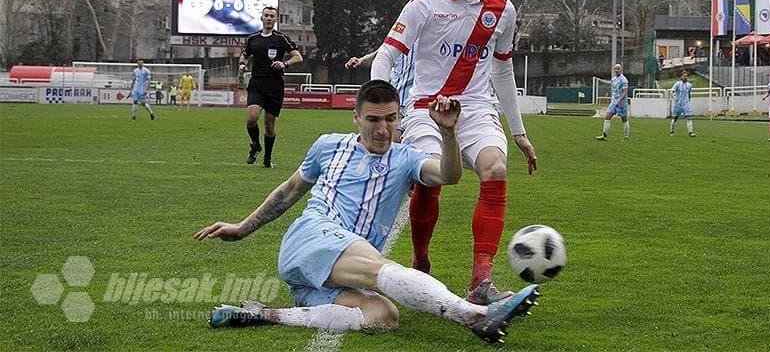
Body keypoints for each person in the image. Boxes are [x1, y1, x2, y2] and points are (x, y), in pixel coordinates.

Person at [194, 80, 539, 343]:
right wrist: (241, 228)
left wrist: (449, 134)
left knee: (382, 314)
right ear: (355, 117)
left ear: (399, 117)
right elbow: (289, 190)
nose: (382, 129)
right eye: (373, 119)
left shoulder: (405, 158)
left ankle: (264, 315)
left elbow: (448, 175)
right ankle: (476, 316)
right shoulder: (328, 145)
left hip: (321, 274)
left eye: (390, 119)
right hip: (312, 236)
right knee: (380, 268)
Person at [370, 0, 538, 304]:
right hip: (425, 107)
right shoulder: (424, 3)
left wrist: (519, 131)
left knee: (495, 169)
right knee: (432, 175)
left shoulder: (503, 10)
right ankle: (421, 258)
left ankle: (481, 282)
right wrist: (387, 115)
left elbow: (503, 69)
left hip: (476, 107)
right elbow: (386, 55)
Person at [239, 6, 302, 168]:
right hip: (256, 83)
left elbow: (298, 56)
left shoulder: (281, 38)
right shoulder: (253, 38)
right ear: (261, 18)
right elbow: (245, 54)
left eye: (272, 16)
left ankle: (267, 158)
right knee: (252, 118)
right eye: (266, 15)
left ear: (275, 20)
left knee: (269, 124)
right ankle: (255, 145)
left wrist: (285, 63)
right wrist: (241, 64)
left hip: (275, 85)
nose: (268, 18)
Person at [347, 42, 417, 142]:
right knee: (387, 143)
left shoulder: (426, 34)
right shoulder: (400, 34)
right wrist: (361, 60)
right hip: (394, 101)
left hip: (413, 104)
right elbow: (381, 52)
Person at [596, 63, 629, 142]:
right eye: (616, 69)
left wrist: (619, 100)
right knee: (607, 116)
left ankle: (626, 137)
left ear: (621, 70)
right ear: (614, 70)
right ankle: (604, 135)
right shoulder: (613, 79)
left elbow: (625, 92)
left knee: (624, 119)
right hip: (614, 102)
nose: (617, 70)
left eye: (618, 68)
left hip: (621, 103)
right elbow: (614, 90)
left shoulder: (624, 80)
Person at [670, 71, 696, 137]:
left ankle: (690, 133)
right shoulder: (677, 84)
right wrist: (674, 97)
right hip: (678, 104)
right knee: (675, 118)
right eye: (684, 76)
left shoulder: (689, 85)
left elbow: (689, 94)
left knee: (689, 118)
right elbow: (671, 91)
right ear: (681, 77)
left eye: (686, 76)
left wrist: (689, 100)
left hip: (686, 104)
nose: (685, 77)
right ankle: (672, 132)